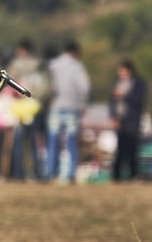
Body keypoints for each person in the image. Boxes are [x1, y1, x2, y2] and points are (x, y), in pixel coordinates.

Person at [45, 40, 91, 183]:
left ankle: (50, 173)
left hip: (54, 107)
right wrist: (83, 105)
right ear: (75, 52)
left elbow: (46, 85)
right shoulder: (78, 67)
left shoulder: (53, 65)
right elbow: (85, 88)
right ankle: (71, 174)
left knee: (53, 141)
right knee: (71, 142)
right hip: (72, 108)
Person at [6, 39, 50, 181]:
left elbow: (8, 82)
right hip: (36, 106)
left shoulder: (16, 64)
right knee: (34, 141)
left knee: (18, 141)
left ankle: (18, 173)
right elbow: (48, 88)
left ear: (21, 49)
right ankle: (37, 173)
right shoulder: (41, 65)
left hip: (20, 107)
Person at [110, 59, 146, 182]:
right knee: (120, 150)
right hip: (120, 121)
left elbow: (139, 101)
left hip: (132, 121)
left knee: (132, 150)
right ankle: (116, 177)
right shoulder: (118, 83)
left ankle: (133, 175)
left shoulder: (138, 84)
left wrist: (124, 96)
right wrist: (113, 117)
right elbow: (113, 102)